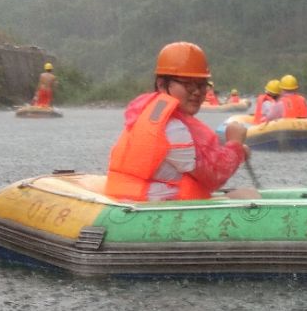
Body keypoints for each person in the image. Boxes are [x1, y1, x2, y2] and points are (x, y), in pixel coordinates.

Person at [105, 41, 254, 201]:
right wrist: (235, 144)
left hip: (131, 200)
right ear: (162, 84)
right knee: (249, 195)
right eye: (188, 84)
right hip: (153, 210)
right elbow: (215, 175)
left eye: (202, 85)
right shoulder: (173, 129)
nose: (197, 92)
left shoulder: (147, 113)